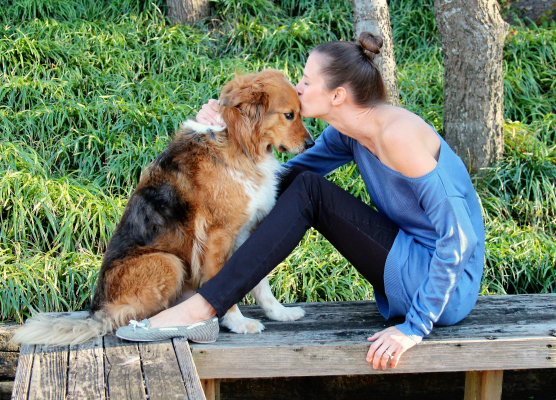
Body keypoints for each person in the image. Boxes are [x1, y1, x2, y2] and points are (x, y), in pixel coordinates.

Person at [118, 32, 485, 371]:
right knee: (301, 185)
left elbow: (460, 238)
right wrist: (225, 126)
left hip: (443, 292)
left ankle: (202, 307)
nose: (297, 87)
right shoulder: (350, 135)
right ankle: (214, 301)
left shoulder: (398, 134)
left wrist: (414, 329)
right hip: (415, 270)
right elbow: (279, 180)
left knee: (310, 189)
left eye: (307, 82)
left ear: (337, 95)